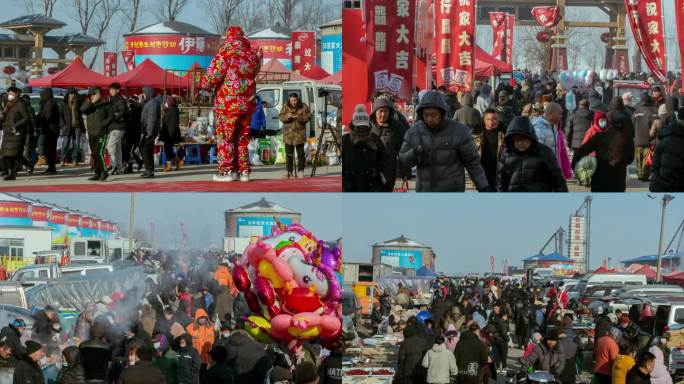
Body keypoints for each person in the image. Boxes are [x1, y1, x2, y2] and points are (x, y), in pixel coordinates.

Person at [201, 26, 262, 182]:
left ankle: (227, 171)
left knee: (226, 138)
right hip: (247, 104)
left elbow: (209, 80)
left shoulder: (224, 56)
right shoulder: (252, 57)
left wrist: (206, 86)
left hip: (227, 104)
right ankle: (244, 172)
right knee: (242, 138)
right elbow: (254, 73)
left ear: (228, 38)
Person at [399, 90, 489, 192]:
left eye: (433, 115)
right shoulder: (414, 132)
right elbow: (402, 161)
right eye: (426, 115)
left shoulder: (460, 131)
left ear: (442, 113)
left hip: (452, 193)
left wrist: (483, 187)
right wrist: (415, 153)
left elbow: (473, 163)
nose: (429, 119)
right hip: (425, 192)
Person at [499, 116, 568, 192]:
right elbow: (502, 181)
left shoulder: (544, 152)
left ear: (530, 137)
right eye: (516, 140)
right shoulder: (507, 154)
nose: (520, 143)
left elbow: (558, 179)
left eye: (523, 139)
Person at [572, 110, 635, 192]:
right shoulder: (628, 139)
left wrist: (574, 166)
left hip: (599, 179)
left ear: (609, 123)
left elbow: (581, 151)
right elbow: (630, 159)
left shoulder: (600, 137)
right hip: (618, 180)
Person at [342, 105, 385, 191]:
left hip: (372, 186)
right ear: (354, 125)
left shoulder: (375, 139)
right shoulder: (346, 140)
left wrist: (376, 171)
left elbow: (384, 159)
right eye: (359, 126)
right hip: (350, 187)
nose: (362, 129)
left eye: (364, 126)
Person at [370, 96, 407, 191]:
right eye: (380, 111)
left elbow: (404, 151)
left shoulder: (396, 127)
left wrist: (404, 173)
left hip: (388, 174)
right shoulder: (368, 126)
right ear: (375, 112)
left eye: (386, 111)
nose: (383, 114)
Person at [81, 87, 113, 181]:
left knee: (99, 152)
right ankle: (97, 173)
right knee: (94, 154)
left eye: (93, 95)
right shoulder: (89, 105)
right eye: (90, 95)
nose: (92, 97)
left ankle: (104, 172)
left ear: (98, 94)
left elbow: (111, 117)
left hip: (101, 132)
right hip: (91, 133)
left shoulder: (106, 104)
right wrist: (92, 102)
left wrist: (104, 124)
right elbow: (82, 110)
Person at [650, 106, 684, 191]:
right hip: (669, 188)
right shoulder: (675, 140)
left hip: (660, 185)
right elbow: (670, 171)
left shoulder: (666, 136)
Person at [279, 93, 311, 179]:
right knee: (289, 154)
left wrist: (297, 117)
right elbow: (281, 117)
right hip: (288, 135)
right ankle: (289, 171)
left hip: (299, 135)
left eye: (295, 100)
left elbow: (308, 118)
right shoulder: (285, 106)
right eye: (292, 101)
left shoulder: (303, 106)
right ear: (289, 100)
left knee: (301, 154)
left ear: (298, 99)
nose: (293, 102)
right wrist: (287, 116)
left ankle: (301, 171)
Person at [0, 87, 28, 180]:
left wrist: (15, 126)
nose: (9, 95)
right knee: (5, 154)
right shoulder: (9, 105)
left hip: (16, 133)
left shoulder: (20, 104)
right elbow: (4, 119)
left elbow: (26, 118)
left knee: (11, 154)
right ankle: (11, 172)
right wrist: (3, 113)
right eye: (8, 93)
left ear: (16, 94)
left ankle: (12, 173)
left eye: (11, 93)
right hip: (8, 133)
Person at [476, 109, 505, 188]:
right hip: (482, 171)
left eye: (496, 119)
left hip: (498, 172)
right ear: (485, 120)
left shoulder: (503, 134)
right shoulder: (477, 135)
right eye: (491, 119)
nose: (494, 121)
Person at [633, 94, 656, 181]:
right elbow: (654, 126)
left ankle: (639, 174)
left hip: (637, 139)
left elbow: (632, 124)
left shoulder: (636, 112)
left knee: (638, 159)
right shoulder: (653, 112)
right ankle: (645, 175)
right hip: (648, 139)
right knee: (646, 159)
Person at [139, 86, 160, 178]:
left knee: (144, 149)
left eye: (143, 93)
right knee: (147, 150)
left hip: (149, 132)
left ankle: (149, 169)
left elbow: (152, 119)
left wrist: (149, 133)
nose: (143, 95)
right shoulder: (150, 102)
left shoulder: (152, 103)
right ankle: (149, 170)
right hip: (148, 131)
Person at [60, 88, 85, 166]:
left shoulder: (78, 102)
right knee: (65, 143)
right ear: (68, 95)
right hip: (67, 126)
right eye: (71, 94)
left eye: (74, 94)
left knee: (76, 144)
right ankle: (62, 160)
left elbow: (82, 111)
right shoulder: (63, 103)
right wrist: (62, 125)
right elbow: (60, 115)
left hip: (77, 126)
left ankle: (74, 160)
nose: (73, 95)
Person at [38, 87, 60, 175]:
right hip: (49, 130)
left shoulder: (50, 103)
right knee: (49, 150)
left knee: (51, 150)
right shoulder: (48, 103)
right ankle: (50, 167)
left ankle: (52, 169)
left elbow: (47, 117)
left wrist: (40, 117)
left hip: (51, 131)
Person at [160, 95, 183, 172]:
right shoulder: (170, 110)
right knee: (167, 149)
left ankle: (171, 164)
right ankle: (177, 161)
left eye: (166, 102)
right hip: (168, 133)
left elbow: (172, 124)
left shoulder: (172, 110)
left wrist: (170, 134)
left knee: (168, 149)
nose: (165, 103)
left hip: (170, 134)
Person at [124, 96, 143, 173]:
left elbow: (129, 119)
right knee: (132, 151)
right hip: (136, 132)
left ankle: (131, 166)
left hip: (131, 132)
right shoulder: (140, 109)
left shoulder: (132, 109)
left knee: (128, 150)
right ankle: (137, 163)